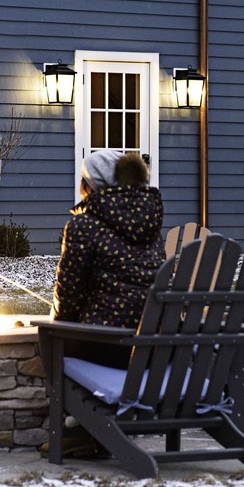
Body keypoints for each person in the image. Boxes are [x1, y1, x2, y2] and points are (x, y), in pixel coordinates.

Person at [53, 149, 166, 368]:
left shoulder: (83, 225)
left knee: (49, 343)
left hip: (109, 346)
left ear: (89, 185)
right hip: (156, 347)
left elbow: (69, 296)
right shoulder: (149, 224)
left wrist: (56, 327)